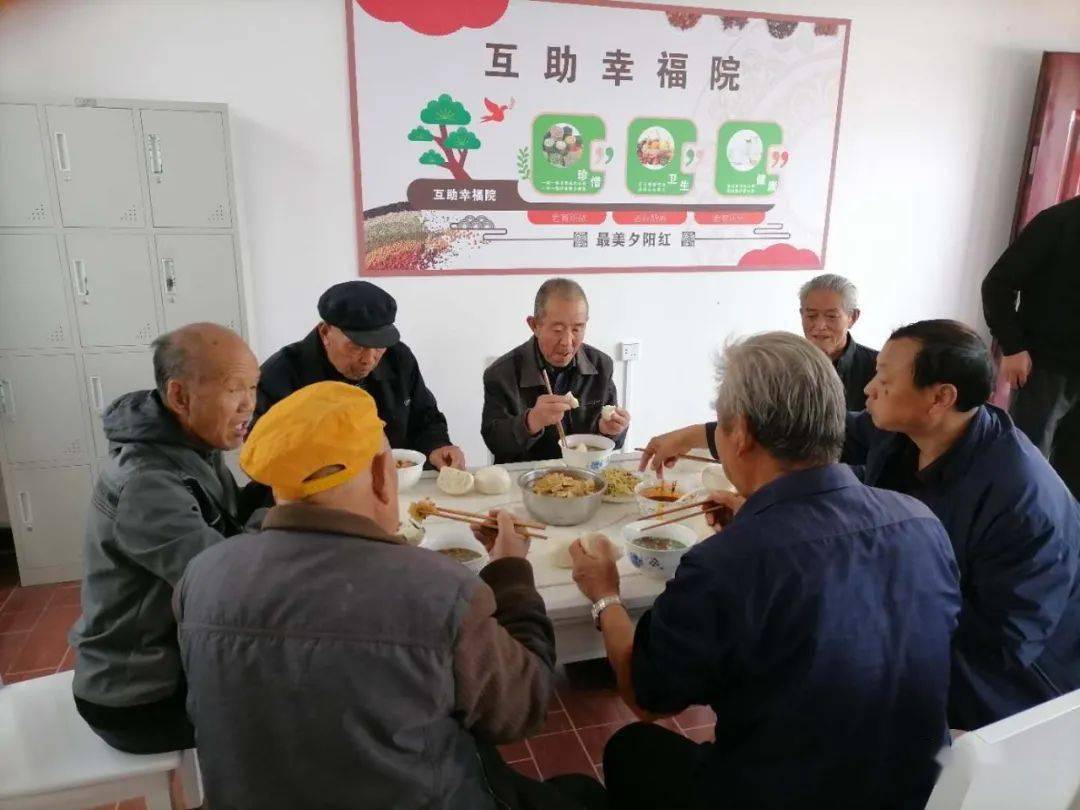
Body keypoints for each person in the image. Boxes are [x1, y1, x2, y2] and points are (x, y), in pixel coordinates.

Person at [176, 382, 607, 810]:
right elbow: (524, 706)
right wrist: (510, 570)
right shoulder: (440, 591)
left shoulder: (202, 574)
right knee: (581, 792)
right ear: (384, 477)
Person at [577, 332, 960, 810]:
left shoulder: (726, 565)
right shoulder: (922, 523)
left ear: (741, 433)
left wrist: (605, 595)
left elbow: (647, 697)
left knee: (631, 748)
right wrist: (757, 526)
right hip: (918, 792)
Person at [846, 319, 1080, 730]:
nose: (869, 388)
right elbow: (832, 433)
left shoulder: (1021, 500)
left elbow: (1007, 644)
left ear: (940, 397)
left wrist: (879, 592)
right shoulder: (910, 430)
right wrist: (708, 437)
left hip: (1019, 689)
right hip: (930, 631)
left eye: (883, 378)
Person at [69, 323, 260, 754]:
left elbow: (228, 523)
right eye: (235, 389)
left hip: (169, 667)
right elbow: (225, 584)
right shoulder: (148, 482)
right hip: (138, 697)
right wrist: (284, 511)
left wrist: (275, 480)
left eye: (253, 386)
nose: (249, 404)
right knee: (301, 703)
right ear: (179, 396)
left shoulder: (189, 442)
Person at [257, 280, 465, 469]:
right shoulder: (282, 374)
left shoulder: (398, 357)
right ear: (325, 333)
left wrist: (437, 446)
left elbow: (425, 418)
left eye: (379, 346)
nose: (369, 359)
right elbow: (264, 454)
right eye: (356, 346)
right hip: (314, 498)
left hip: (393, 485)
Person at [982, 196, 1080, 496]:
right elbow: (998, 284)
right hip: (1045, 368)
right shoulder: (1058, 221)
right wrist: (1013, 347)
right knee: (1026, 469)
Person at [482, 278, 629, 463]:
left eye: (577, 329)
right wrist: (531, 421)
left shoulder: (601, 365)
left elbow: (615, 442)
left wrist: (610, 431)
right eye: (558, 329)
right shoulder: (501, 373)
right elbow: (495, 443)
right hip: (527, 479)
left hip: (583, 477)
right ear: (534, 325)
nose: (567, 341)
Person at [799, 273, 878, 410]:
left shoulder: (878, 368)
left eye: (831, 316)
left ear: (852, 317)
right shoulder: (782, 364)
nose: (820, 325)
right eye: (811, 316)